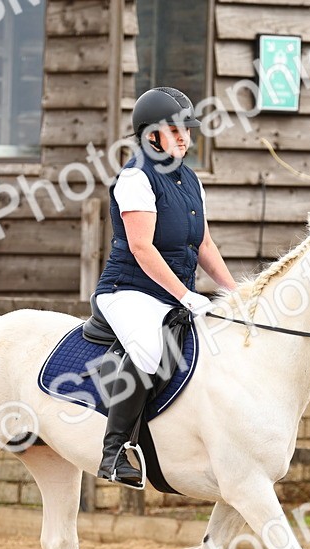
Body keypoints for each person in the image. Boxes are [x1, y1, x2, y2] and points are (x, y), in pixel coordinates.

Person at [93, 86, 238, 487]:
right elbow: (141, 248)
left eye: (187, 131)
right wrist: (186, 295)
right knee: (149, 348)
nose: (185, 138)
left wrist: (236, 293)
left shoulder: (190, 179)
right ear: (150, 134)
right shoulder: (136, 177)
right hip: (128, 290)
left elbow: (204, 244)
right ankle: (115, 450)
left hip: (172, 294)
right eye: (175, 131)